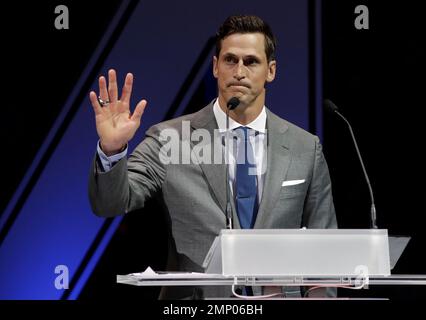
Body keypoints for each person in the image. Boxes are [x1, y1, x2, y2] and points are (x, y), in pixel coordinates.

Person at [88, 15, 337, 299]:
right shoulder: (170, 138)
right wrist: (112, 150)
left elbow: (325, 249)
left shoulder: (304, 146)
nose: (239, 71)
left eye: (251, 61)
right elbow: (110, 203)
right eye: (230, 60)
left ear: (271, 70)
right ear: (216, 67)